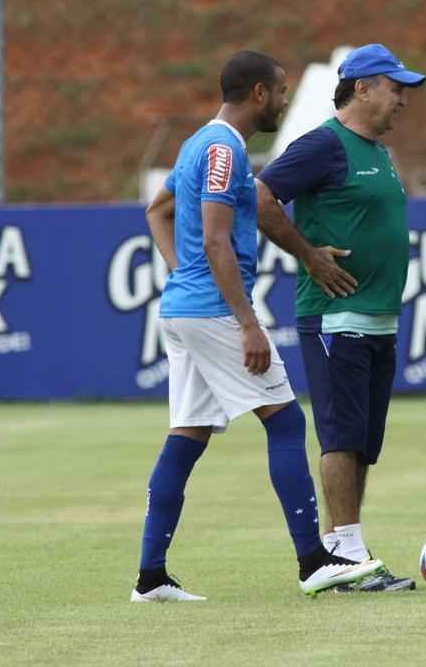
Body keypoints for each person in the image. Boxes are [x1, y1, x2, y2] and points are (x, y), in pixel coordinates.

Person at [131, 51, 382, 602]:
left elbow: (157, 210)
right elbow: (217, 239)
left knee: (188, 434)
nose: (288, 99)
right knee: (287, 423)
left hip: (185, 308)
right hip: (214, 311)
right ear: (259, 94)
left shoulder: (200, 142)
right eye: (284, 90)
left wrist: (182, 273)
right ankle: (314, 562)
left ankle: (150, 578)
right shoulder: (222, 150)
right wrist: (247, 323)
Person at [255, 43, 426, 592]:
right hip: (335, 318)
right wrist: (308, 255)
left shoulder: (376, 151)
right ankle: (348, 551)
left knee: (363, 443)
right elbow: (259, 195)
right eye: (395, 88)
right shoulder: (324, 146)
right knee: (340, 438)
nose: (403, 99)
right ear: (362, 88)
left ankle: (341, 553)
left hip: (377, 319)